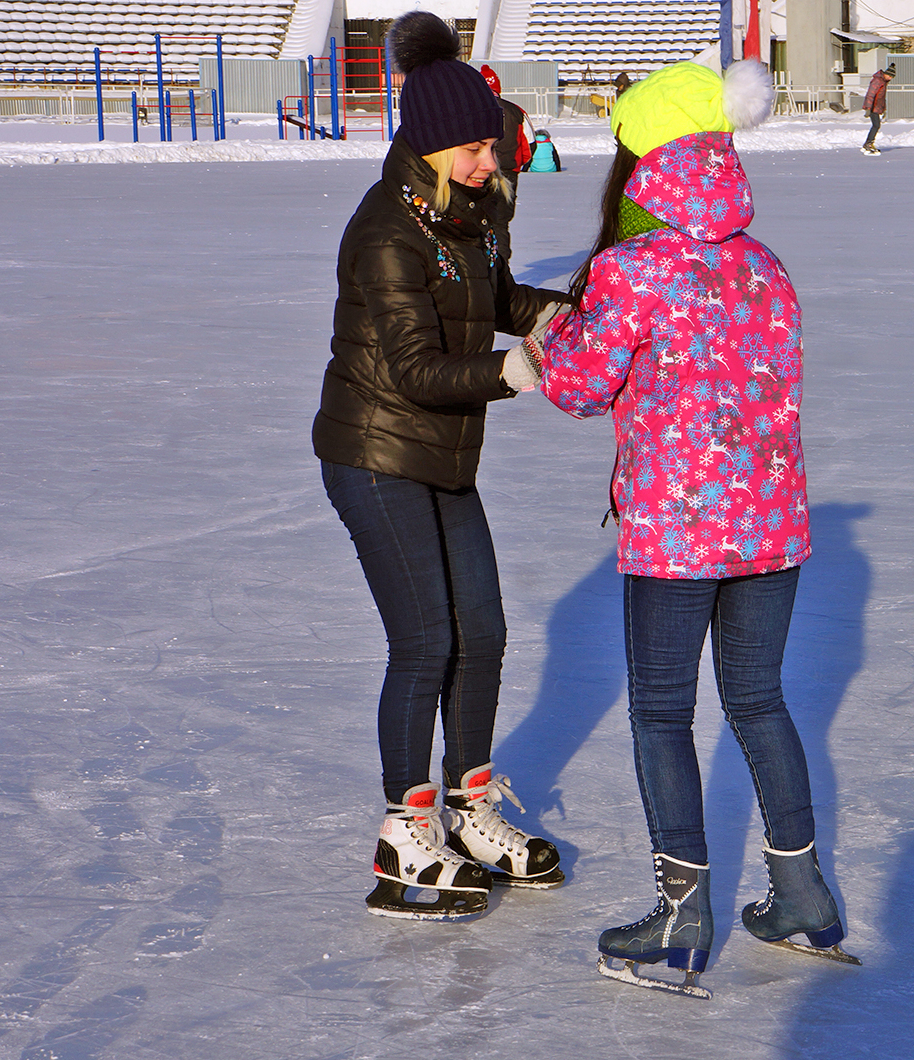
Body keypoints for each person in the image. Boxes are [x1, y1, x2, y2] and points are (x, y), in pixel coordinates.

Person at [523, 58, 855, 998]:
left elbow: (580, 389)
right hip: (772, 527)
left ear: (647, 165)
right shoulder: (765, 266)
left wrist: (554, 340)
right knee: (760, 701)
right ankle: (803, 895)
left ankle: (679, 918)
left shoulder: (635, 270)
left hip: (675, 531)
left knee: (663, 713)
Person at [315, 11, 567, 921]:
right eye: (471, 150)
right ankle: (403, 833)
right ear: (426, 146)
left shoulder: (472, 216)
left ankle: (468, 808)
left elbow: (500, 299)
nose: (489, 163)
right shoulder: (386, 230)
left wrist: (574, 309)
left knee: (485, 631)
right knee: (425, 640)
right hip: (376, 451)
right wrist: (522, 370)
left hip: (444, 451)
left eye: (490, 148)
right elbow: (420, 369)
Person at [479, 64, 534, 186]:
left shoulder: (469, 110)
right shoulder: (516, 110)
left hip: (478, 171)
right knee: (505, 204)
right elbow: (530, 144)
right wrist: (518, 164)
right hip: (509, 169)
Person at [861, 63, 894, 155]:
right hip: (873, 107)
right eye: (890, 76)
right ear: (886, 74)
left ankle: (869, 143)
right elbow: (870, 95)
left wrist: (883, 109)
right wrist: (868, 108)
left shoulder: (883, 82)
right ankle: (868, 144)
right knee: (876, 125)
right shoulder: (877, 81)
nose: (890, 79)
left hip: (876, 107)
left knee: (876, 125)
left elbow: (882, 97)